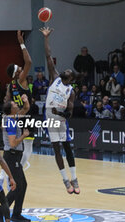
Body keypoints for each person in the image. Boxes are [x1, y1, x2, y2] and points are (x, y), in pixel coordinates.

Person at [41, 27, 80, 194]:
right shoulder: (55, 77)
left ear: (71, 78)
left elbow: (70, 113)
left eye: (70, 72)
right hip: (50, 116)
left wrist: (61, 114)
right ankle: (65, 180)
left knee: (67, 147)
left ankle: (74, 178)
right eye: (67, 70)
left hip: (61, 118)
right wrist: (46, 38)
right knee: (56, 149)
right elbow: (48, 56)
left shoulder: (71, 91)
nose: (67, 70)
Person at [0, 94, 30, 222]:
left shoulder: (11, 117)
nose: (17, 106)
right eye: (15, 105)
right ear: (11, 110)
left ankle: (17, 214)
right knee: (17, 187)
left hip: (14, 156)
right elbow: (13, 143)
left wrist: (26, 101)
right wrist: (24, 136)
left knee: (23, 185)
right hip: (12, 155)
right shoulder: (11, 122)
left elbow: (26, 109)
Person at [4, 30, 34, 173]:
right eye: (18, 68)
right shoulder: (21, 79)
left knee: (18, 148)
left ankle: (9, 172)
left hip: (16, 117)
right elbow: (29, 61)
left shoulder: (10, 86)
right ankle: (16, 171)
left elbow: (6, 102)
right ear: (17, 73)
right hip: (26, 115)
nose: (21, 67)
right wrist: (22, 43)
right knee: (28, 148)